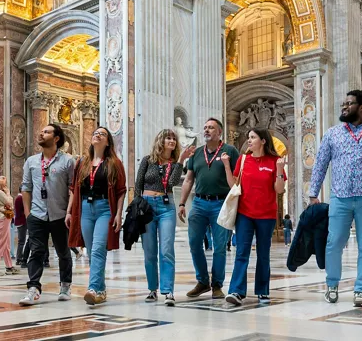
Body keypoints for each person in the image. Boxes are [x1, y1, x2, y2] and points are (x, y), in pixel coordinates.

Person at [308, 90, 362, 307]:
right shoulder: (332, 134)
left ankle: (361, 290)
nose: (344, 107)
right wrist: (313, 192)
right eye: (343, 103)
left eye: (349, 103)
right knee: (334, 242)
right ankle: (332, 284)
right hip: (340, 197)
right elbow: (320, 163)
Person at [177, 118, 239, 300]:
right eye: (205, 127)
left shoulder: (230, 151)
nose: (206, 130)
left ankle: (217, 284)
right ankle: (203, 281)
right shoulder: (197, 153)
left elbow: (236, 179)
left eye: (211, 128)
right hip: (199, 203)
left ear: (219, 132)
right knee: (194, 243)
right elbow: (188, 179)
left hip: (221, 203)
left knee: (220, 246)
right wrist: (181, 203)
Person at [223, 128, 286, 306]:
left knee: (263, 253)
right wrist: (227, 166)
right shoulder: (244, 160)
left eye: (252, 137)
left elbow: (279, 189)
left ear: (263, 141)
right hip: (245, 214)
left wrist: (280, 169)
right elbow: (233, 184)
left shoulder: (274, 161)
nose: (249, 140)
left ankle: (263, 291)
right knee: (241, 252)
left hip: (266, 215)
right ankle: (236, 290)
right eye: (248, 137)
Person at [19, 124, 77, 306]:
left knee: (63, 252)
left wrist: (69, 212)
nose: (41, 133)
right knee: (36, 252)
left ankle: (65, 285)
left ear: (57, 138)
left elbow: (73, 189)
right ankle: (33, 288)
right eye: (41, 131)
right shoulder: (31, 161)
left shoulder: (68, 161)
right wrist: (28, 214)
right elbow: (26, 188)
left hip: (59, 214)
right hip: (37, 214)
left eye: (46, 132)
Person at [68, 126, 127, 305]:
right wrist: (69, 211)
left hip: (104, 208)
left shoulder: (114, 163)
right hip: (85, 208)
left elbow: (121, 191)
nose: (97, 135)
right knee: (92, 251)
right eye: (95, 133)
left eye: (102, 134)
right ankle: (100, 290)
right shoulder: (82, 162)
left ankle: (93, 288)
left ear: (108, 141)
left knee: (98, 248)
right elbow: (73, 189)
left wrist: (118, 214)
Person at [136, 129, 191, 306]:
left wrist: (181, 160)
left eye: (174, 138)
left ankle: (168, 291)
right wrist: (138, 207)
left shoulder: (174, 163)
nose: (172, 141)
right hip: (147, 205)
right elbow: (138, 185)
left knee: (166, 249)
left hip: (166, 206)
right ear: (161, 140)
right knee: (149, 251)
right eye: (168, 137)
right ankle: (152, 289)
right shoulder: (147, 160)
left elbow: (173, 182)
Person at [14, 189, 28, 266]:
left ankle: (20, 256)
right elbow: (22, 211)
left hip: (21, 221)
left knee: (21, 241)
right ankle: (19, 258)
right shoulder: (20, 198)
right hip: (22, 222)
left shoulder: (19, 198)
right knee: (21, 241)